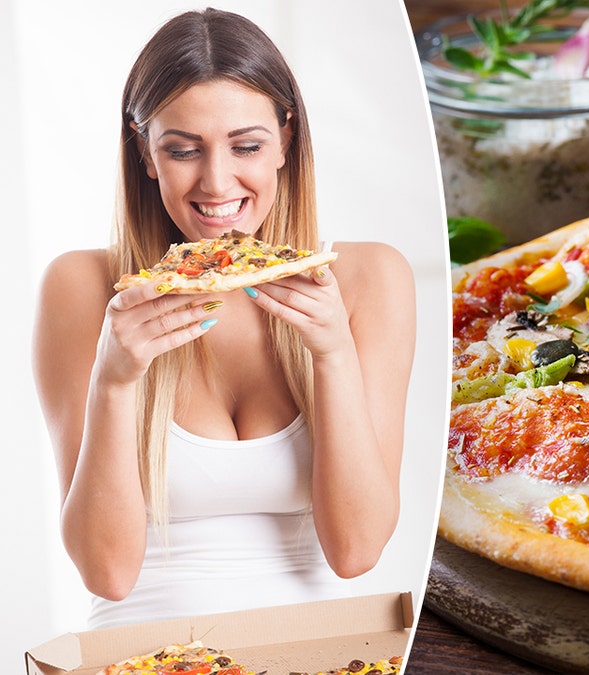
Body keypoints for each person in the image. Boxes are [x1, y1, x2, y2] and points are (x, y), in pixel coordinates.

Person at [31, 7, 415, 629]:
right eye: (183, 150)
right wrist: (116, 379)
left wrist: (333, 354)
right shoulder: (81, 286)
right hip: (143, 657)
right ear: (145, 153)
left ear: (287, 140)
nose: (216, 184)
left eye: (247, 146)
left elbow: (357, 551)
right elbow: (108, 574)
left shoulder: (371, 277)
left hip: (320, 656)